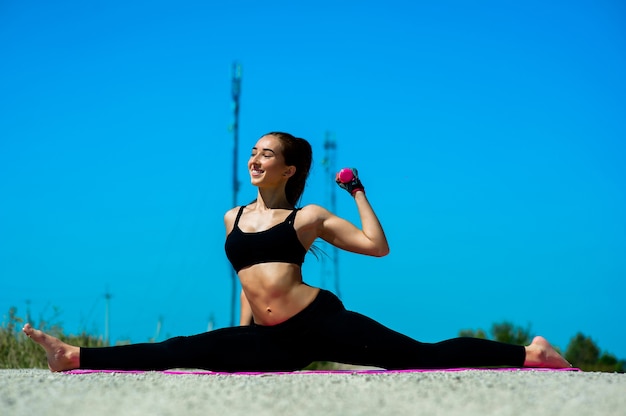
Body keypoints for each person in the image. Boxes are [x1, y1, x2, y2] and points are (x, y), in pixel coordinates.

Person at [23, 132, 571, 372]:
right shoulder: (230, 218)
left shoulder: (306, 217)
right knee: (179, 349)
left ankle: (530, 353)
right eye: (253, 153)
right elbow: (248, 283)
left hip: (317, 322)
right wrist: (245, 334)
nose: (255, 160)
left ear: (288, 169)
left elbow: (377, 248)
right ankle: (73, 356)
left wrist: (357, 192)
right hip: (268, 339)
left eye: (267, 154)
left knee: (418, 355)